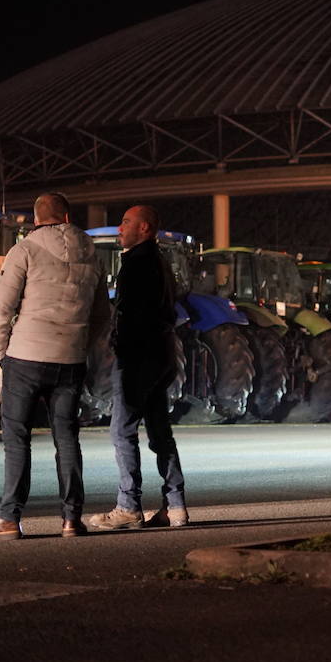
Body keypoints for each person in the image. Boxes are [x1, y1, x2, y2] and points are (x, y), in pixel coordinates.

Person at [0, 192, 110, 540]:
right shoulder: (91, 251)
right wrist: (80, 345)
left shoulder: (25, 250)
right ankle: (72, 519)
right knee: (67, 438)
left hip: (27, 356)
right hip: (71, 360)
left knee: (17, 438)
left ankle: (9, 517)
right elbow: (102, 314)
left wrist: (0, 354)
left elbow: (1, 307)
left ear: (36, 217)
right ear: (67, 214)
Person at [86, 205, 188, 530]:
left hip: (139, 359)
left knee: (122, 431)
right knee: (160, 432)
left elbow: (132, 316)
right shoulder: (160, 262)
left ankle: (128, 506)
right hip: (162, 356)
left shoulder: (136, 263)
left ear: (144, 228)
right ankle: (175, 506)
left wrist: (120, 348)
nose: (119, 228)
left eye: (126, 222)